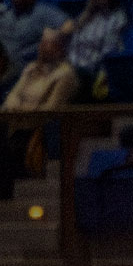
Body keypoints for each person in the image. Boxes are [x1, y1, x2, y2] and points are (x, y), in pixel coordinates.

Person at [1, 28, 78, 200]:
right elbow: (12, 97)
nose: (42, 48)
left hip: (37, 128)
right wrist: (16, 107)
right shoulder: (30, 69)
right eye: (42, 43)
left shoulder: (65, 75)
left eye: (48, 44)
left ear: (60, 49)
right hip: (15, 122)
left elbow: (51, 107)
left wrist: (21, 110)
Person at [0, 0, 68, 88]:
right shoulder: (6, 14)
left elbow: (68, 26)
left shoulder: (43, 12)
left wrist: (49, 41)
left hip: (24, 73)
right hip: (4, 69)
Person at [66, 0, 126, 80]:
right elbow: (72, 45)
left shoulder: (117, 18)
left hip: (92, 73)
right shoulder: (84, 17)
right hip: (71, 67)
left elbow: (108, 54)